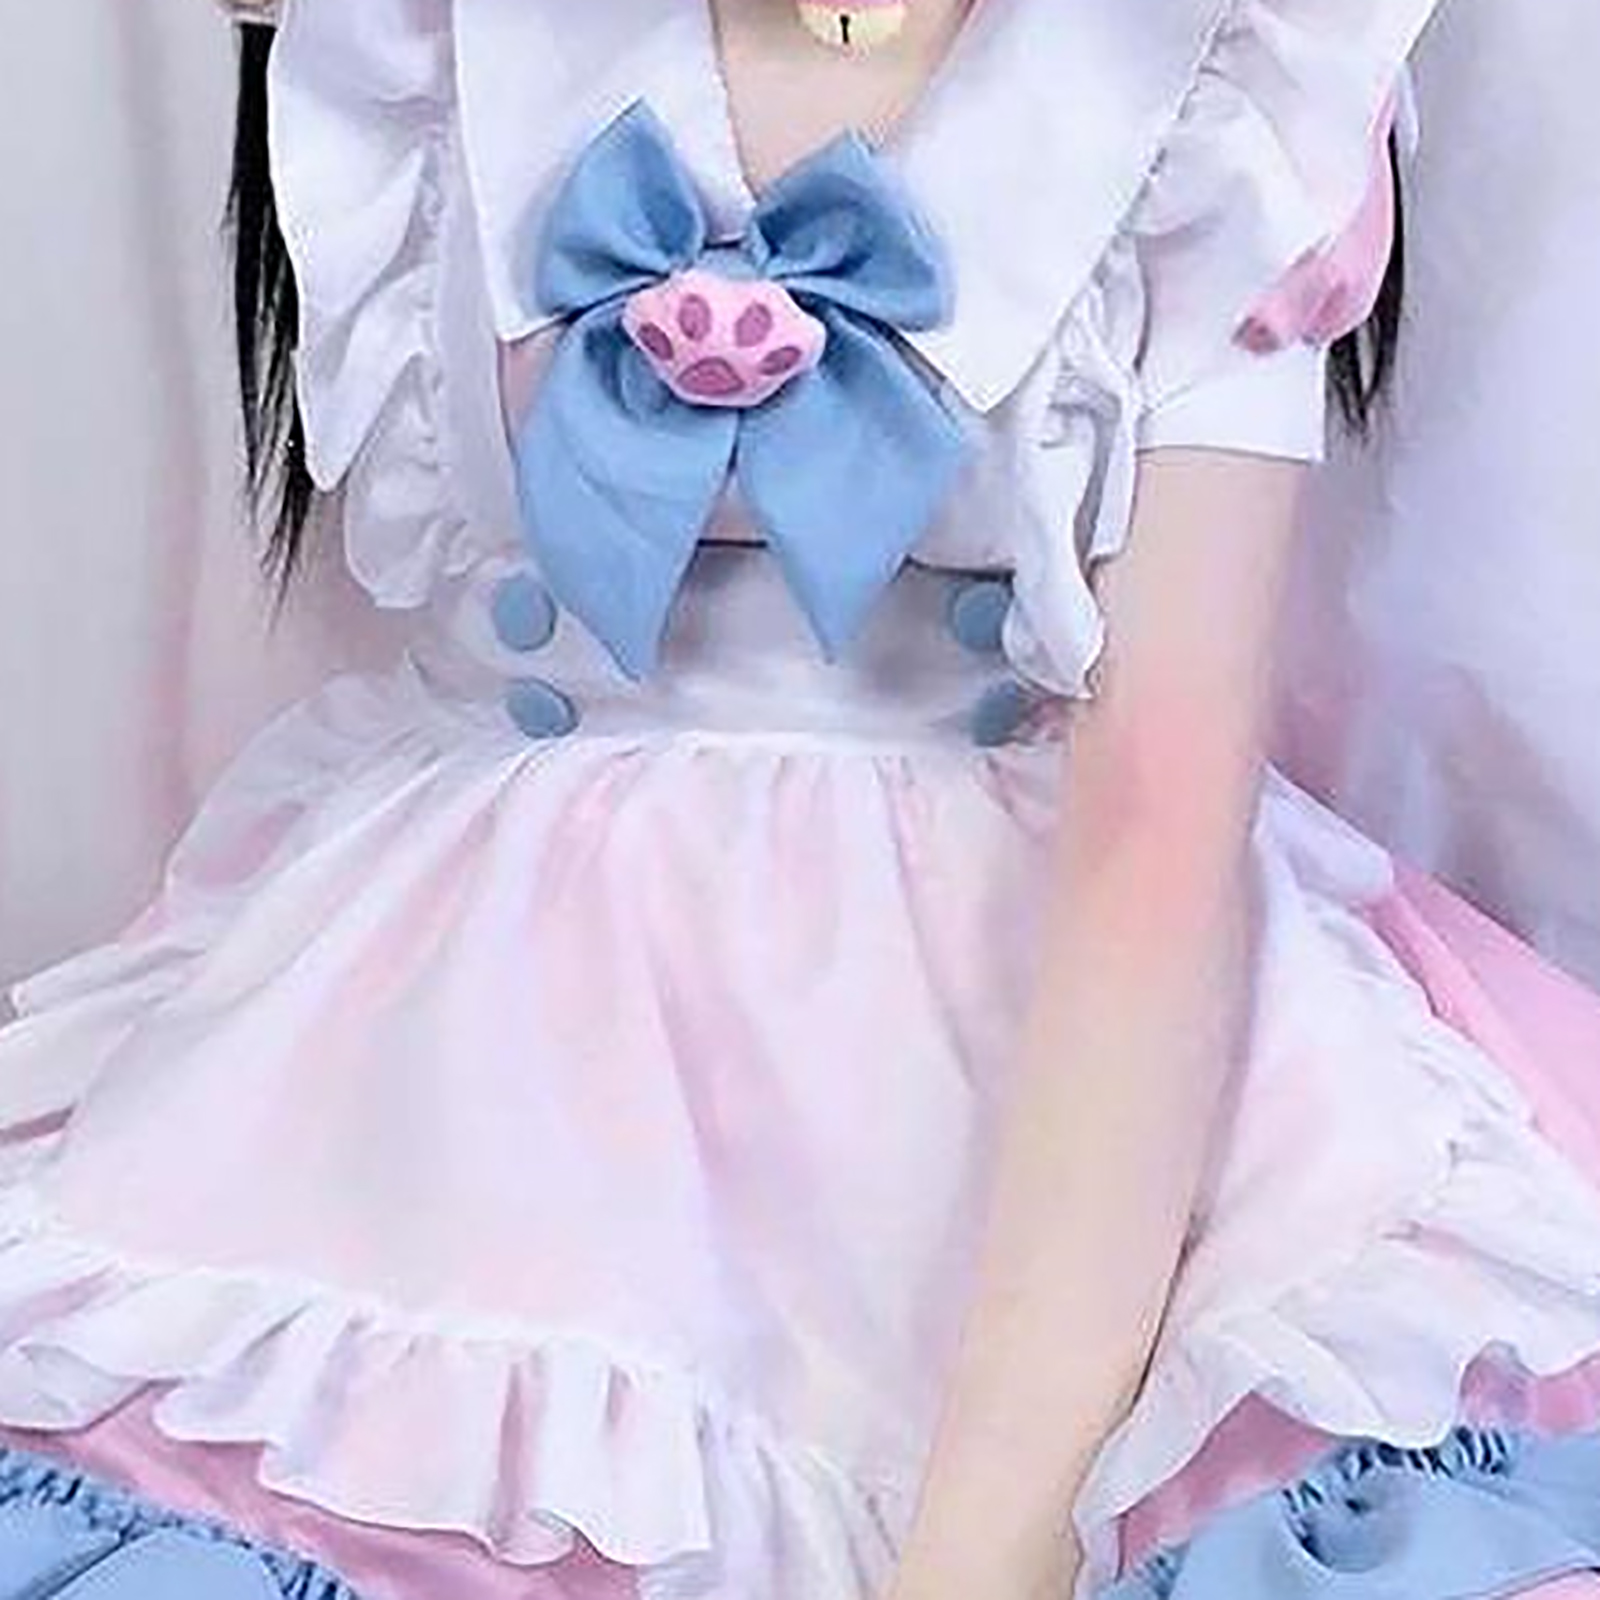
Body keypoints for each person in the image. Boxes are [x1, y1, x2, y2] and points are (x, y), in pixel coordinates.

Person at [0, 0, 1596, 1596]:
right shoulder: (425, 39)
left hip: (1044, 1025)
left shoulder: (1223, 89)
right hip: (452, 1036)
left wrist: (989, 1547)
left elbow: (1163, 809)